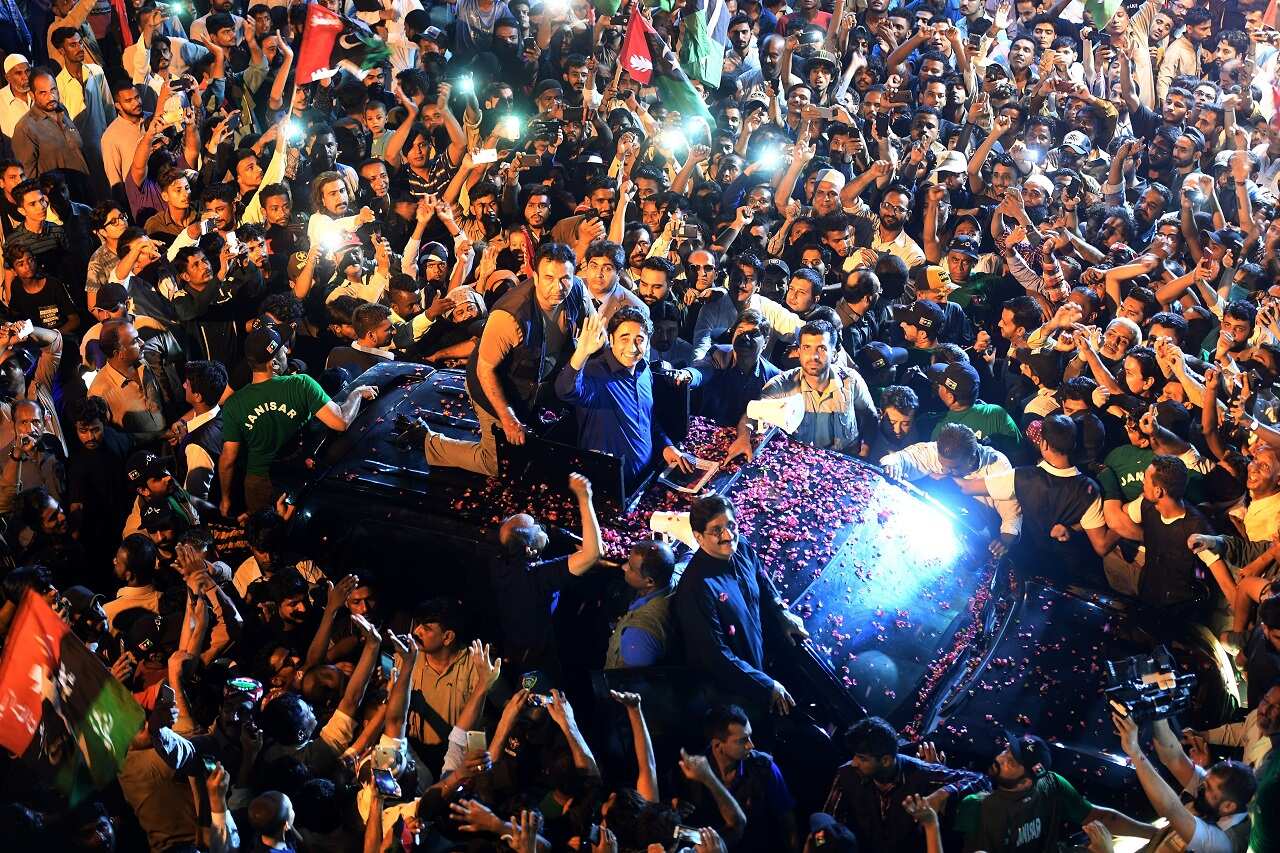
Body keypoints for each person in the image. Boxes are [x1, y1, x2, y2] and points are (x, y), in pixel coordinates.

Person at [424, 242, 589, 477]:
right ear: (535, 276)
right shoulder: (509, 316)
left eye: (565, 278)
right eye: (549, 278)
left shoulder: (577, 290)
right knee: (496, 463)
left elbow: (593, 329)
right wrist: (508, 418)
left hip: (534, 384)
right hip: (494, 384)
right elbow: (485, 370)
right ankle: (432, 444)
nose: (558, 287)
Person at [219, 326, 378, 514]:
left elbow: (228, 459)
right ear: (273, 363)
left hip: (258, 485)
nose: (288, 351)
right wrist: (357, 394)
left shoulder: (233, 404)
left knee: (263, 536)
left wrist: (226, 500)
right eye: (283, 349)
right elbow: (341, 421)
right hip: (297, 478)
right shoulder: (301, 384)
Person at [676, 493, 808, 715]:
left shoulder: (743, 547)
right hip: (734, 695)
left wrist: (781, 611)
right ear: (698, 537)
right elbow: (715, 655)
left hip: (760, 664)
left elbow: (762, 579)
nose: (728, 535)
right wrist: (766, 685)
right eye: (716, 530)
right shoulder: (696, 588)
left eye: (731, 525)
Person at [555, 307, 691, 488]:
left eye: (639, 340)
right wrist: (582, 353)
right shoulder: (595, 372)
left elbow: (647, 420)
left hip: (643, 480)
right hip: (608, 484)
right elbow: (565, 390)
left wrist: (667, 446)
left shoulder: (644, 371)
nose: (632, 348)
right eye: (624, 338)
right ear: (611, 339)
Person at [956, 730, 1153, 852]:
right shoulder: (1050, 782)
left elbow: (1098, 818)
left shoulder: (978, 806)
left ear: (1026, 781)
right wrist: (1156, 833)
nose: (1000, 759)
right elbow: (1099, 817)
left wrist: (1157, 835)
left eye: (1011, 762)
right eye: (1006, 750)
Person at [824, 716, 988, 853]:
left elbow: (980, 779)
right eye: (855, 756)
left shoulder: (920, 773)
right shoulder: (846, 774)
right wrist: (820, 842)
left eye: (862, 758)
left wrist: (941, 795)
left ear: (886, 760)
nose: (854, 763)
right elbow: (828, 824)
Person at [491, 472, 601, 676]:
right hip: (536, 659)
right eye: (536, 528)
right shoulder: (536, 577)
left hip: (513, 642)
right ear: (530, 551)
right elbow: (593, 553)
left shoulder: (501, 560)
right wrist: (584, 498)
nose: (541, 527)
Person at [730, 319, 877, 461]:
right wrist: (743, 438)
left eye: (822, 348)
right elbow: (751, 414)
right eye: (807, 348)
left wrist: (866, 449)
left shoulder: (851, 381)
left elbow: (870, 416)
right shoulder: (782, 385)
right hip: (799, 464)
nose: (813, 356)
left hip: (844, 462)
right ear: (799, 351)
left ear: (834, 353)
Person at [605, 540, 676, 669]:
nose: (624, 567)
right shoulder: (671, 578)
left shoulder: (639, 633)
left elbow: (630, 681)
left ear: (649, 581)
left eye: (631, 568)